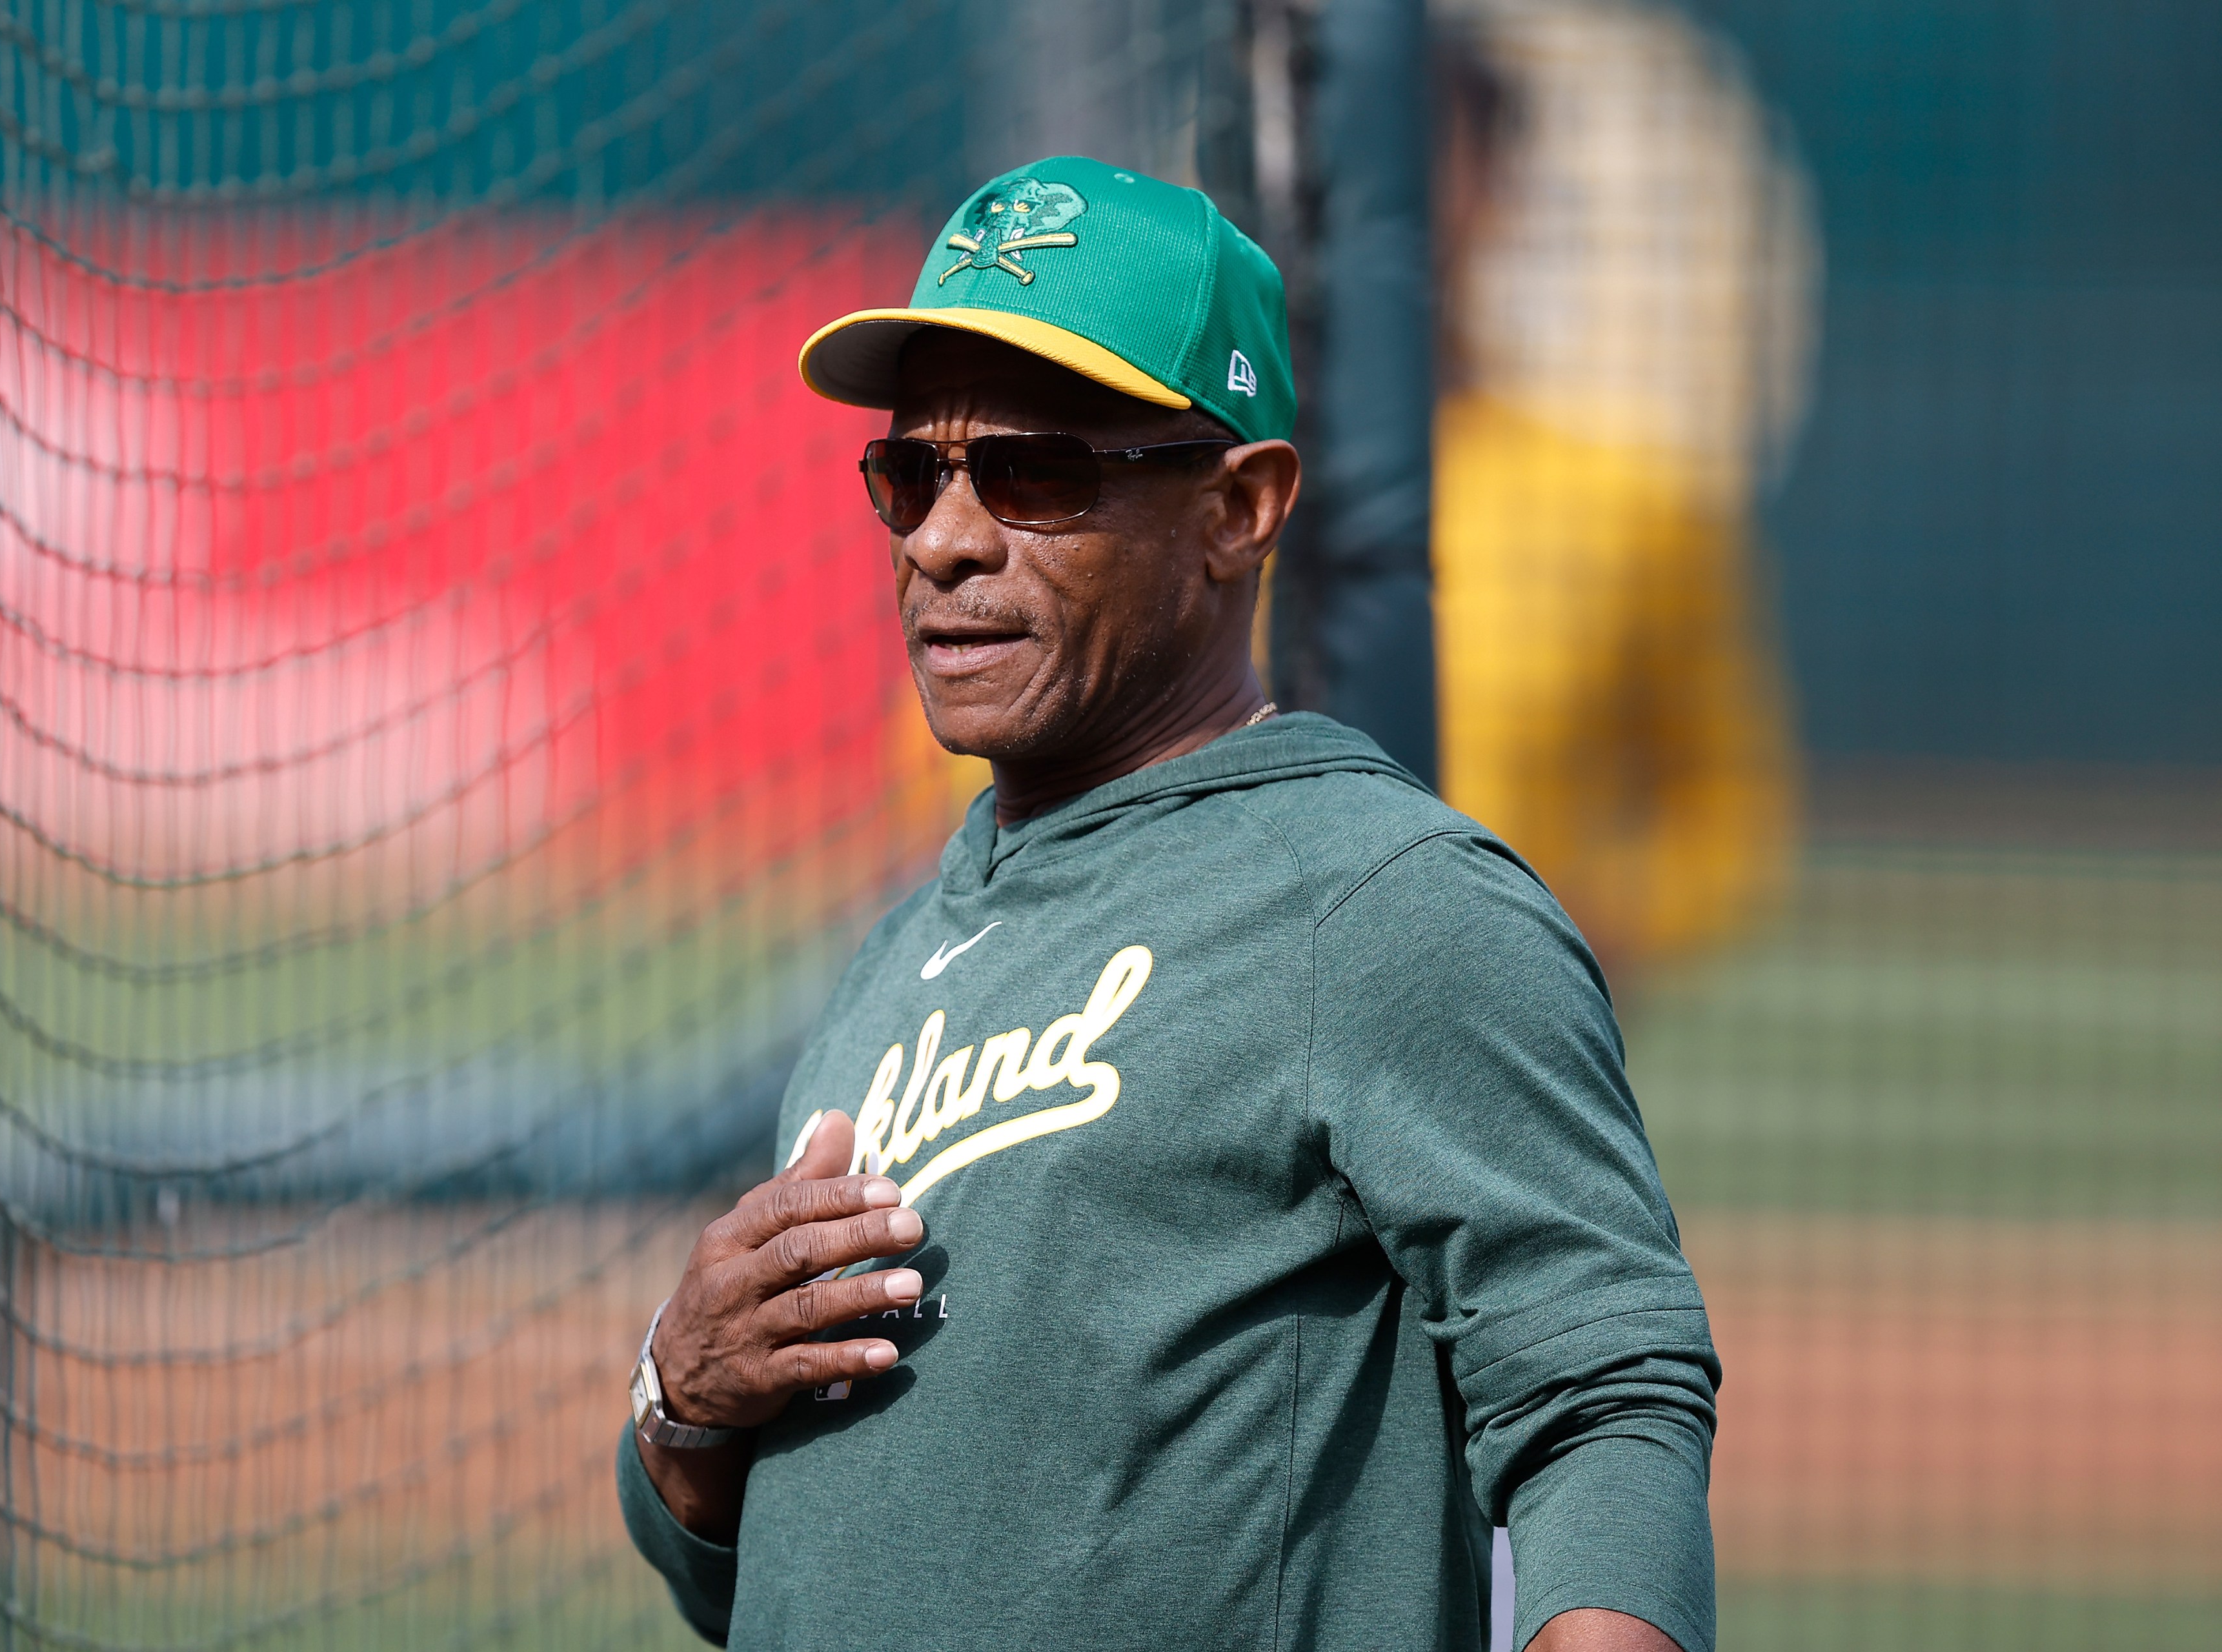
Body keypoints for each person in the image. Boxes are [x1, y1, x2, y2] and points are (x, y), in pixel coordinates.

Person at [617, 156, 1718, 1652]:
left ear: (1237, 510)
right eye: (909, 472)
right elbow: (793, 1570)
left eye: (1035, 471)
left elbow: (1606, 1396)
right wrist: (684, 1405)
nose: (942, 536)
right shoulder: (906, 944)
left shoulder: (1386, 905)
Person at [1429, 11, 1799, 975]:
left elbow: (1728, 814)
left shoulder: (1628, 505)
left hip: (1488, 1069)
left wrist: (1587, 932)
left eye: (1434, 146)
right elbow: (986, 772)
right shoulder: (1168, 471)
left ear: (1503, 185)